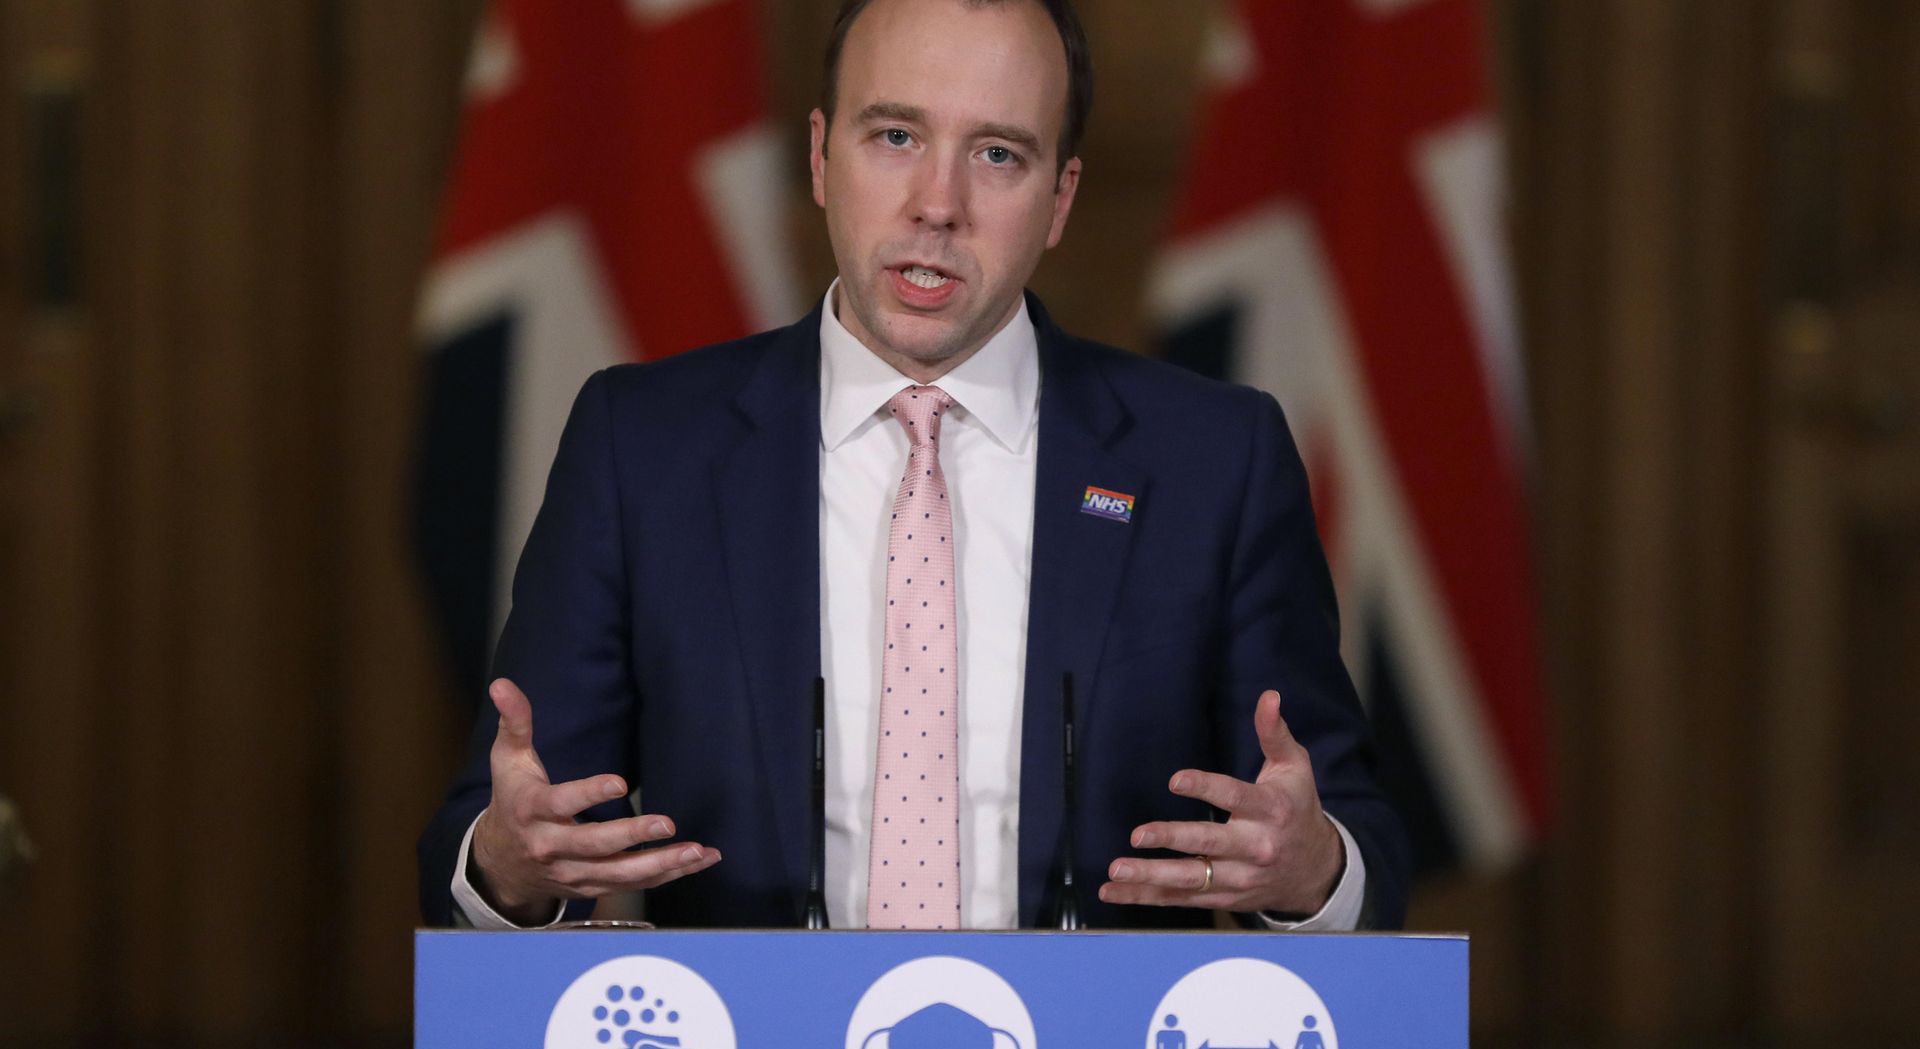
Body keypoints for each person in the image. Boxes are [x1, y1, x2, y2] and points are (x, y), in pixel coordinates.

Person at [418, 0, 1408, 932]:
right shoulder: (641, 448)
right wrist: (508, 863)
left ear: (1060, 198)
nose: (938, 203)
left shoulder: (1213, 462)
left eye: (999, 154)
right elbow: (493, 842)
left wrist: (1310, 870)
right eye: (894, 137)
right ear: (818, 156)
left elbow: (1356, 842)